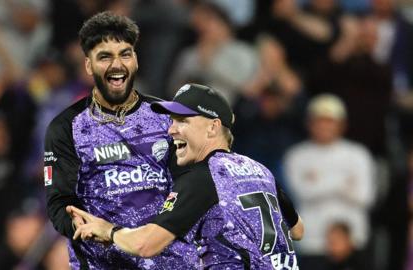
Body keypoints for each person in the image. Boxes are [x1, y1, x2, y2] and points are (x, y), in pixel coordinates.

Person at [68, 83, 304, 269]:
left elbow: (145, 244)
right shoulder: (260, 170)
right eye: (171, 120)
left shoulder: (203, 177)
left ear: (213, 127)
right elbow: (298, 230)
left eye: (182, 121)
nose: (171, 130)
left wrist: (107, 230)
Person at [44, 12, 199, 269]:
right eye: (105, 57)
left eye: (125, 54)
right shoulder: (65, 128)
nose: (117, 65)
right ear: (88, 65)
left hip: (172, 261)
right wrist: (82, 226)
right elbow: (60, 202)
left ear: (135, 60)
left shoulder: (166, 116)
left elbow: (190, 186)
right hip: (104, 262)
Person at [283, 94, 375, 270]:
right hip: (312, 243)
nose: (324, 126)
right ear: (309, 123)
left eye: (330, 121)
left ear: (342, 125)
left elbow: (365, 197)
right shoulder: (296, 156)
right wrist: (343, 183)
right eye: (319, 121)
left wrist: (319, 181)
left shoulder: (359, 154)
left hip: (353, 242)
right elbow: (302, 193)